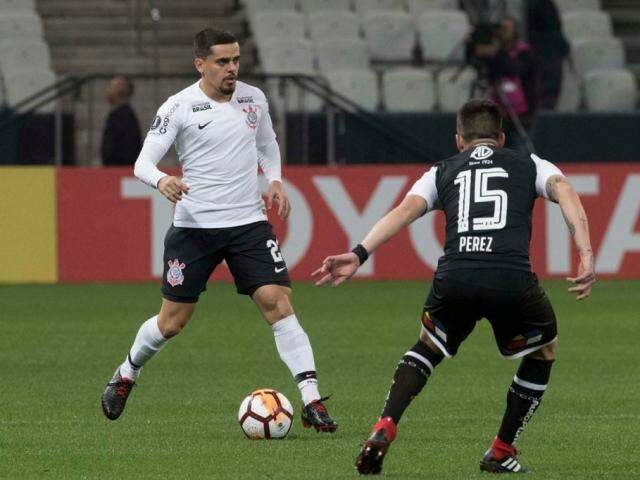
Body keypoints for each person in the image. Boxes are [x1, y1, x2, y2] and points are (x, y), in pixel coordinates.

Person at [313, 99, 595, 474]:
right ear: (501, 136)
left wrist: (359, 253)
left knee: (427, 346)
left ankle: (385, 424)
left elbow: (403, 212)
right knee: (543, 351)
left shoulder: (441, 170)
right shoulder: (530, 164)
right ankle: (501, 449)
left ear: (459, 140)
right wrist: (586, 252)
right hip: (509, 279)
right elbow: (566, 192)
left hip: (455, 276)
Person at [100, 29, 337, 432]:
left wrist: (275, 180)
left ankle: (313, 401)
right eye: (223, 62)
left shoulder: (253, 99)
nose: (232, 69)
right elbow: (142, 163)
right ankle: (126, 372)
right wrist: (162, 181)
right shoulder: (178, 107)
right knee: (172, 322)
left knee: (277, 303)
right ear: (201, 65)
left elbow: (267, 143)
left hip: (248, 224)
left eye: (236, 60)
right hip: (195, 229)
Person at [101, 75, 142, 166]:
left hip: (120, 170)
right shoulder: (116, 115)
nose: (107, 91)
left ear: (121, 90)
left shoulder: (125, 117)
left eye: (111, 87)